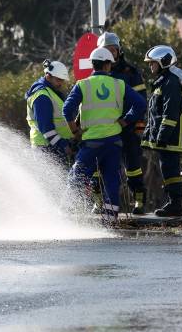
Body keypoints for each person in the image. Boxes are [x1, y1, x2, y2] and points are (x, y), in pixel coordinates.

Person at [63, 47, 147, 222]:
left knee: (77, 177)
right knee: (111, 181)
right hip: (113, 142)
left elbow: (67, 109)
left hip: (91, 143)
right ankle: (111, 219)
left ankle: (65, 213)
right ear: (108, 65)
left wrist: (75, 131)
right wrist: (126, 120)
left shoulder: (83, 85)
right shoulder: (119, 84)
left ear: (93, 65)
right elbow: (140, 104)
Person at [97, 32, 148, 214]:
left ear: (119, 51)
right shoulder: (98, 74)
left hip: (128, 127)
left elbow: (141, 101)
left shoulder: (131, 73)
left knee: (133, 167)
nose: (110, 54)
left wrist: (136, 126)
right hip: (105, 129)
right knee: (104, 167)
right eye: (106, 50)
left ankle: (139, 201)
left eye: (113, 50)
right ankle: (102, 202)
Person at [141, 45, 182, 217]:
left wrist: (162, 136)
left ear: (163, 62)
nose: (150, 66)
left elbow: (170, 113)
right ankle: (172, 202)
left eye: (153, 63)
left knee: (171, 170)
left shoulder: (171, 83)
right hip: (166, 137)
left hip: (171, 137)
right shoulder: (162, 82)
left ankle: (176, 204)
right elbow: (155, 114)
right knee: (167, 169)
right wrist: (149, 135)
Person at [24, 60, 73, 165]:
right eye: (58, 80)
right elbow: (46, 128)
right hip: (47, 148)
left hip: (52, 146)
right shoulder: (42, 96)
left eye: (62, 80)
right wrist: (63, 145)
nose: (61, 83)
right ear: (48, 76)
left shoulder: (50, 92)